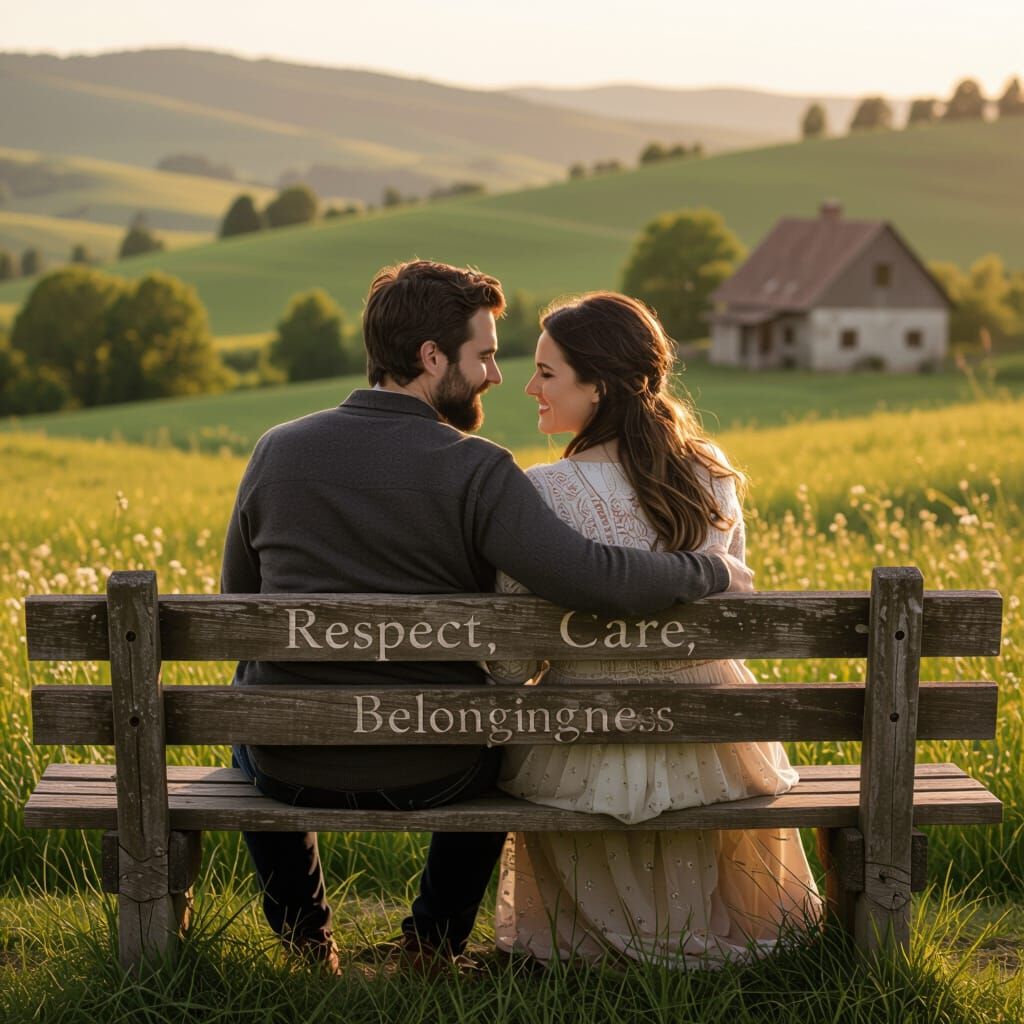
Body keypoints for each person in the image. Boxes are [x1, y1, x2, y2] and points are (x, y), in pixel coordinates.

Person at [220, 262, 754, 973]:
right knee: (499, 752)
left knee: (248, 733)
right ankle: (433, 941)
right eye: (484, 355)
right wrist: (710, 569)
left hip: (287, 763)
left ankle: (306, 940)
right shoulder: (478, 469)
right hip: (434, 762)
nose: (497, 376)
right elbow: (594, 579)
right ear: (431, 357)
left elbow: (236, 604)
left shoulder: (276, 450)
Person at [488, 292, 822, 969]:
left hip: (584, 743)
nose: (530, 387)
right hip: (713, 739)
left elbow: (510, 660)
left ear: (601, 386)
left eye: (547, 373)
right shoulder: (709, 474)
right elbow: (732, 613)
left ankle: (598, 944)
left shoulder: (543, 491)